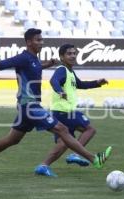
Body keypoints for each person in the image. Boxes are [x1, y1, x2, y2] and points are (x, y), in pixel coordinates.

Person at [0, 28, 112, 180]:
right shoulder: (23, 58)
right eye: (38, 40)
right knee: (62, 129)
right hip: (29, 105)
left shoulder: (34, 59)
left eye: (42, 39)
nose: (41, 42)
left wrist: (47, 64)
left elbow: (34, 67)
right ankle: (94, 159)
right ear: (29, 42)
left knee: (12, 140)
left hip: (27, 106)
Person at [34, 44, 108, 177]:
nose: (73, 56)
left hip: (60, 112)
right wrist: (60, 91)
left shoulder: (70, 72)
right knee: (89, 129)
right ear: (62, 57)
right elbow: (53, 80)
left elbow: (81, 85)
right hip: (65, 111)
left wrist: (97, 83)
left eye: (74, 53)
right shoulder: (62, 69)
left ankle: (43, 166)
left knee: (63, 143)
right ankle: (75, 154)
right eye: (69, 54)